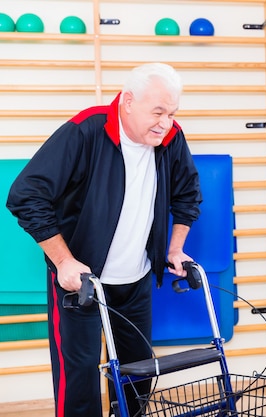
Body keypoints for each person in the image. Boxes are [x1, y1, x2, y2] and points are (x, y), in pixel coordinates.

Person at [6, 63, 202, 417]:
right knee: (78, 378)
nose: (165, 123)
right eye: (157, 112)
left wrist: (174, 248)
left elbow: (188, 194)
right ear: (128, 101)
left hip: (136, 280)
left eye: (172, 113)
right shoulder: (86, 131)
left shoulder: (171, 137)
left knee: (138, 375)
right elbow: (25, 194)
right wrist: (63, 261)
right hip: (80, 282)